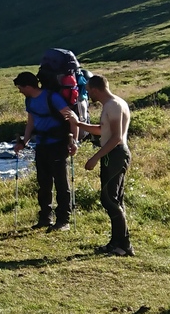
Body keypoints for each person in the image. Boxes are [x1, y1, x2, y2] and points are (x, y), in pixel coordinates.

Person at [67, 75, 133, 256]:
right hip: (113, 154)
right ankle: (116, 243)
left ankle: (124, 245)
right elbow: (102, 130)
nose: (88, 94)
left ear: (96, 89)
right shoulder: (113, 104)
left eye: (88, 91)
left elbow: (116, 137)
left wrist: (95, 158)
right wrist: (78, 124)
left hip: (116, 154)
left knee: (109, 199)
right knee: (114, 199)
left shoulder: (113, 105)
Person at [13, 70, 80, 230]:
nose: (19, 91)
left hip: (58, 144)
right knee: (43, 183)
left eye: (20, 88)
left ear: (28, 86)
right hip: (41, 145)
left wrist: (75, 142)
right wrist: (24, 142)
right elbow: (31, 123)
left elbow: (72, 119)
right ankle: (45, 218)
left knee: (61, 183)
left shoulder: (52, 98)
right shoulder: (29, 101)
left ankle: (63, 220)